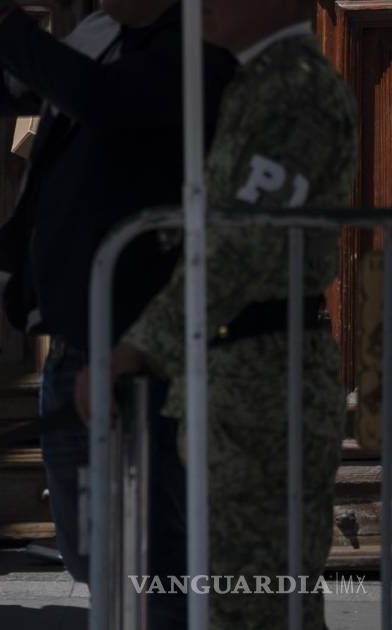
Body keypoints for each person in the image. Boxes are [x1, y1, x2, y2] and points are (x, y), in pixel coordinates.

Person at [0, 2, 237, 624]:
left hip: (146, 343)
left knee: (155, 549)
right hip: (73, 338)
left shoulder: (192, 41)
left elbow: (102, 97)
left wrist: (0, 16)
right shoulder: (99, 31)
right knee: (88, 542)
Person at [76, 0, 358, 627]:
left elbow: (242, 245)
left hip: (264, 380)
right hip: (234, 377)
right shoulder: (259, 81)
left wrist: (139, 346)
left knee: (258, 600)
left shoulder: (293, 88)